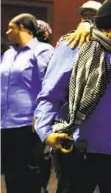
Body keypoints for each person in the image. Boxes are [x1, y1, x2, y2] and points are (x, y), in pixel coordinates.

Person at [34, 0, 111, 193]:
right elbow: (50, 94)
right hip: (80, 148)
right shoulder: (75, 45)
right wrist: (46, 132)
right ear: (107, 28)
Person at [1, 13, 54, 193]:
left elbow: (48, 84)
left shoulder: (43, 51)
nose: (7, 32)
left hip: (29, 123)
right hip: (6, 123)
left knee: (29, 175)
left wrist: (41, 115)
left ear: (23, 28)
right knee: (11, 173)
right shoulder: (8, 53)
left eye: (11, 28)